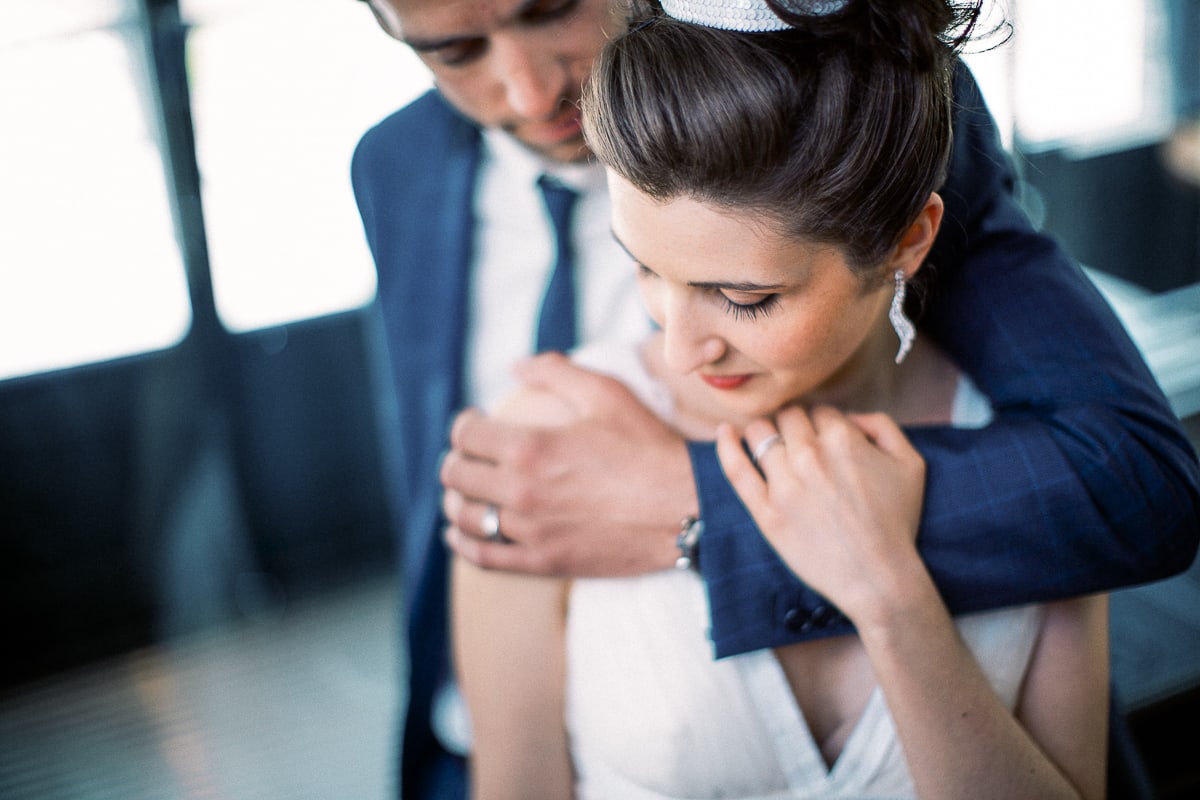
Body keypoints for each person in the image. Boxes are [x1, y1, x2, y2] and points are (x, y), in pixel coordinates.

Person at [349, 0, 1200, 797]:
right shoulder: (392, 171)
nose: (529, 89)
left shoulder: (860, 117)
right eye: (453, 50)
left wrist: (699, 505)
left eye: (549, 8)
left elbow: (1128, 485)